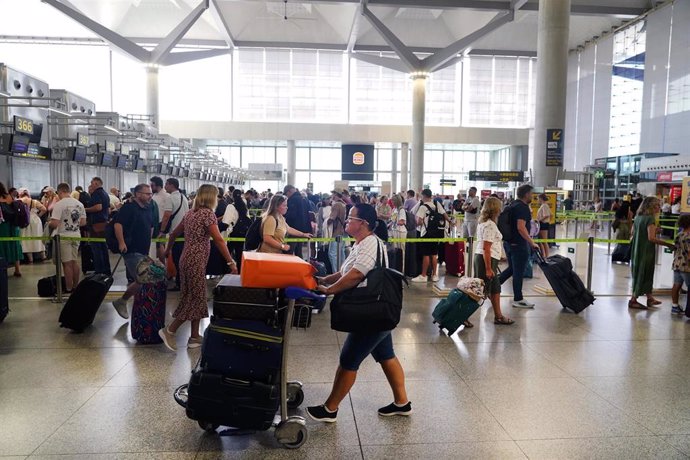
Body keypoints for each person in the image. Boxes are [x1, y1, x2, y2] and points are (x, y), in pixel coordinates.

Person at [307, 203, 411, 422]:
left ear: (363, 224)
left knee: (349, 359)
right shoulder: (362, 243)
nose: (347, 221)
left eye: (351, 218)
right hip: (379, 309)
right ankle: (402, 403)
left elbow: (356, 274)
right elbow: (346, 270)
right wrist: (327, 279)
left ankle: (330, 409)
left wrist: (330, 290)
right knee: (386, 355)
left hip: (371, 312)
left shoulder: (370, 243)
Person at [159, 185, 238, 351]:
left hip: (186, 259)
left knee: (195, 295)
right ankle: (170, 330)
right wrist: (230, 262)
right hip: (196, 260)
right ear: (210, 197)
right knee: (195, 298)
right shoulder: (207, 214)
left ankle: (194, 337)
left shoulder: (191, 213)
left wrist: (167, 250)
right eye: (216, 196)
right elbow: (218, 239)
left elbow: (173, 234)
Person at [110, 184, 156, 320]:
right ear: (138, 194)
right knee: (144, 278)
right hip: (131, 249)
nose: (150, 196)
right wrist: (121, 242)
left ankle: (132, 303)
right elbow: (118, 225)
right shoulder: (129, 208)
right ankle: (122, 301)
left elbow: (151, 225)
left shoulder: (148, 207)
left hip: (143, 248)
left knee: (144, 278)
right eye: (147, 193)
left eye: (150, 193)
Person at [498, 184, 540, 309]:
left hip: (509, 243)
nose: (532, 196)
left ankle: (492, 286)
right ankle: (518, 299)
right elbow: (521, 227)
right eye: (531, 194)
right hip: (519, 245)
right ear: (526, 194)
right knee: (518, 272)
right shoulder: (523, 208)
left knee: (512, 269)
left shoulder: (512, 205)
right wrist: (531, 242)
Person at [629, 196, 675, 309]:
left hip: (637, 251)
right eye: (657, 205)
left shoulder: (638, 217)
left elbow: (633, 233)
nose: (659, 208)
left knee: (640, 273)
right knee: (645, 273)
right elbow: (651, 238)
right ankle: (633, 299)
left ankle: (650, 298)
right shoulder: (650, 219)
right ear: (651, 206)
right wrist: (668, 244)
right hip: (646, 251)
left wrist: (653, 230)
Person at [475, 196, 514, 325]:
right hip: (487, 260)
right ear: (495, 208)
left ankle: (498, 316)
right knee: (479, 290)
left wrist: (499, 255)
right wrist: (488, 268)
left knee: (494, 288)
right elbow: (486, 248)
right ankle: (462, 315)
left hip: (487, 258)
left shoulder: (484, 223)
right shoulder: (490, 225)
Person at [49, 183, 86, 292]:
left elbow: (54, 224)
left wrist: (49, 223)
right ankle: (75, 286)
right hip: (76, 235)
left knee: (67, 264)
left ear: (60, 192)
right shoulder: (79, 204)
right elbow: (83, 222)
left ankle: (68, 288)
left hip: (64, 236)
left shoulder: (59, 204)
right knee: (74, 261)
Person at [411, 189, 451, 283]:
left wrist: (418, 223)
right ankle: (434, 275)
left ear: (424, 196)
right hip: (436, 233)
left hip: (426, 233)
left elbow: (419, 221)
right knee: (434, 255)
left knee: (425, 255)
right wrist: (450, 221)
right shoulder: (436, 205)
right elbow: (444, 214)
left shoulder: (423, 207)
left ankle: (423, 275)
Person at [165, 178, 189, 291]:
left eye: (166, 184)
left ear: (171, 185)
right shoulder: (183, 197)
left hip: (176, 233)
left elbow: (167, 215)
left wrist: (162, 230)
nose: (165, 186)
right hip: (186, 232)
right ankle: (183, 283)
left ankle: (179, 284)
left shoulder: (170, 198)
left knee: (177, 259)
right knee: (183, 259)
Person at [84, 177, 111, 275]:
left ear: (96, 183)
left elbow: (98, 207)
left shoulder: (96, 193)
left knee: (96, 248)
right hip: (104, 223)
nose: (91, 185)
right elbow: (108, 209)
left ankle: (99, 270)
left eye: (92, 183)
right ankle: (106, 269)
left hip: (96, 224)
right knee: (103, 248)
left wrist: (85, 209)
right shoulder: (105, 194)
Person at [222, 189, 251, 272]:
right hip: (242, 233)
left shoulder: (231, 206)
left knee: (227, 254)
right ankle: (240, 273)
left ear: (232, 196)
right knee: (240, 255)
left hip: (232, 234)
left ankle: (226, 272)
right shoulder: (244, 206)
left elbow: (226, 223)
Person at [17, 188, 47, 263]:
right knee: (38, 237)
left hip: (24, 220)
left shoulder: (19, 201)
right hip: (35, 220)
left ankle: (30, 259)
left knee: (26, 239)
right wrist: (38, 215)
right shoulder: (34, 201)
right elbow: (44, 209)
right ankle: (43, 256)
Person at [0, 182, 23, 277]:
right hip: (14, 225)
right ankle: (17, 270)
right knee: (15, 245)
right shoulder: (9, 197)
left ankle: (3, 269)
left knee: (3, 246)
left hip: (3, 225)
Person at [670, 214, 690, 314]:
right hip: (686, 266)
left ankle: (674, 306)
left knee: (676, 285)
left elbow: (675, 248)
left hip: (677, 263)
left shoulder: (679, 235)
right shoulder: (689, 236)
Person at [150, 176, 172, 262]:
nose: (151, 187)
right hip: (154, 224)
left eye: (152, 185)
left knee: (160, 245)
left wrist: (162, 228)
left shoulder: (166, 196)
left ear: (158, 185)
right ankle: (163, 265)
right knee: (157, 245)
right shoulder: (154, 195)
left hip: (161, 224)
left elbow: (168, 213)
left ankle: (165, 265)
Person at [283, 185, 310, 258]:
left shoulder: (292, 200)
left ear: (289, 191)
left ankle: (288, 268)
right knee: (299, 251)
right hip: (302, 229)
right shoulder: (303, 199)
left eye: (286, 194)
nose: (286, 196)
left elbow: (292, 215)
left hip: (293, 228)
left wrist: (284, 216)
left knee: (289, 250)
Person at [328, 191, 347, 271]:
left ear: (335, 195)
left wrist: (327, 222)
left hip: (336, 232)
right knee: (341, 252)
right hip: (343, 231)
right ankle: (342, 271)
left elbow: (332, 218)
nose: (331, 195)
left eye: (332, 194)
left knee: (332, 253)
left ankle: (336, 272)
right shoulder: (343, 204)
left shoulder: (336, 205)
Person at [536, 193, 552, 258]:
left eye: (538, 199)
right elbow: (551, 214)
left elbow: (547, 215)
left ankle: (547, 256)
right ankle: (543, 255)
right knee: (540, 241)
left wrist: (539, 220)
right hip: (542, 224)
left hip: (543, 224)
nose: (537, 200)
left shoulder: (544, 205)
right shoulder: (543, 205)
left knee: (544, 241)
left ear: (541, 198)